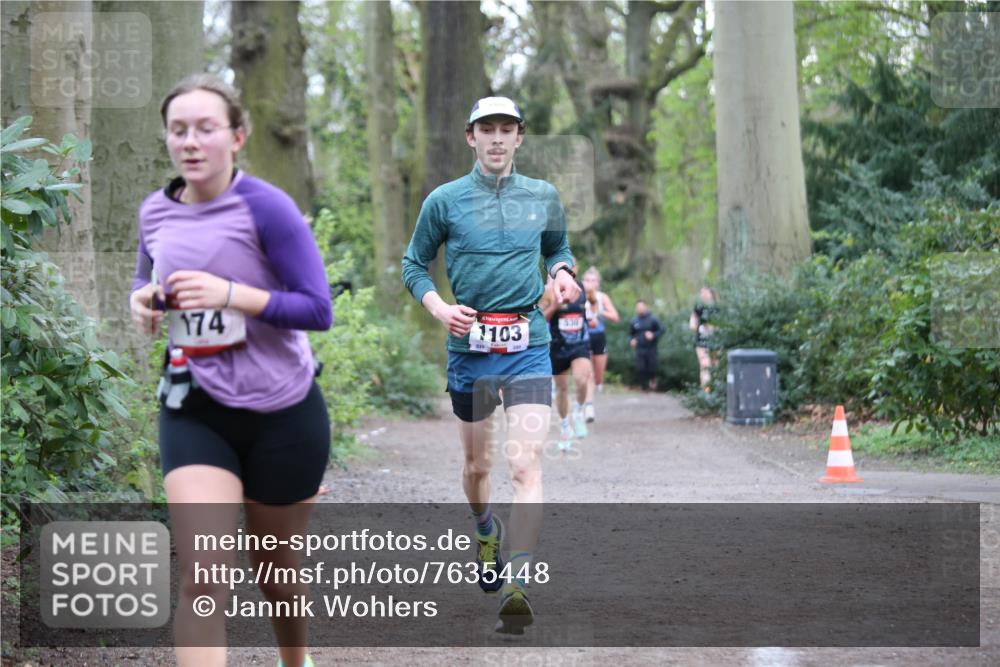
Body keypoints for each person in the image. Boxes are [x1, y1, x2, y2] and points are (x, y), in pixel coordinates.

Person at [128, 74, 331, 667]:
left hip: (284, 410)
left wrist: (231, 293)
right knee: (203, 575)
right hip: (194, 406)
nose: (190, 142)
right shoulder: (155, 211)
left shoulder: (266, 207)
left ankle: (296, 660)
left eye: (206, 129)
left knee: (276, 569)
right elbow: (148, 283)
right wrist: (141, 302)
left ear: (236, 137)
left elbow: (317, 308)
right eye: (178, 130)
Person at [401, 96, 577, 634]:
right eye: (487, 129)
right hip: (471, 346)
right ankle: (484, 530)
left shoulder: (542, 196)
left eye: (507, 129)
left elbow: (558, 247)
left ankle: (518, 584)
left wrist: (565, 270)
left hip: (528, 341)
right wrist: (439, 308)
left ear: (520, 137)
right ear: (470, 137)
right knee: (478, 469)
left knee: (525, 463)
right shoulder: (444, 201)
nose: (497, 138)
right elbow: (414, 264)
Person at [541, 265, 593, 450]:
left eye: (571, 268)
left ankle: (578, 412)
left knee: (581, 379)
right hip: (557, 346)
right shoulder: (547, 293)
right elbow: (541, 318)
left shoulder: (582, 289)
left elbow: (592, 304)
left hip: (580, 344)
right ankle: (565, 426)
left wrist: (591, 316)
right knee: (561, 389)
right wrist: (555, 304)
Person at [581, 266, 619, 421]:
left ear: (598, 283)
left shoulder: (602, 297)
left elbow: (615, 317)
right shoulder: (579, 296)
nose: (590, 283)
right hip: (584, 337)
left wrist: (599, 312)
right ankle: (588, 406)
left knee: (598, 376)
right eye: (587, 280)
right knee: (587, 373)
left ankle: (597, 387)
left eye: (593, 280)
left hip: (599, 337)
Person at [689, 287, 720, 392]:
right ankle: (706, 390)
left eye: (705, 292)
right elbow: (693, 319)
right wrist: (693, 324)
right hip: (701, 341)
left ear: (711, 293)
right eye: (701, 293)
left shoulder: (717, 307)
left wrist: (713, 327)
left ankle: (717, 390)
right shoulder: (698, 307)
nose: (703, 295)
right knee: (705, 365)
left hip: (716, 341)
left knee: (716, 366)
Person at [629, 300, 663, 391]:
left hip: (651, 348)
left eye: (641, 307)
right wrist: (632, 340)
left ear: (645, 307)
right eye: (638, 307)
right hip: (640, 348)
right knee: (641, 368)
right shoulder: (634, 321)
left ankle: (653, 380)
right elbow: (631, 334)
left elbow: (662, 329)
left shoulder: (653, 319)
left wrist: (653, 335)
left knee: (652, 368)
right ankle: (644, 388)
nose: (640, 309)